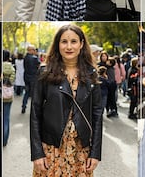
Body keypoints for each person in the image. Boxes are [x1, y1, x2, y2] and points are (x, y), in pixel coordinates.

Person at [30, 24, 102, 176]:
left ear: (81, 44)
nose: (69, 46)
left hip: (81, 151)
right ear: (58, 44)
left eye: (74, 41)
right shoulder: (45, 72)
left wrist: (95, 153)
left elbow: (97, 116)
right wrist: (37, 153)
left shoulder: (91, 75)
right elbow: (35, 114)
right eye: (64, 41)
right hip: (51, 149)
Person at [22, 45, 40, 114]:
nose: (34, 51)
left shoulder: (25, 57)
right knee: (33, 94)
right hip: (33, 78)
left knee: (26, 93)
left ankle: (24, 106)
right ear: (31, 50)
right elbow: (39, 65)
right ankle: (33, 109)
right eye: (34, 49)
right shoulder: (34, 58)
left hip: (26, 77)